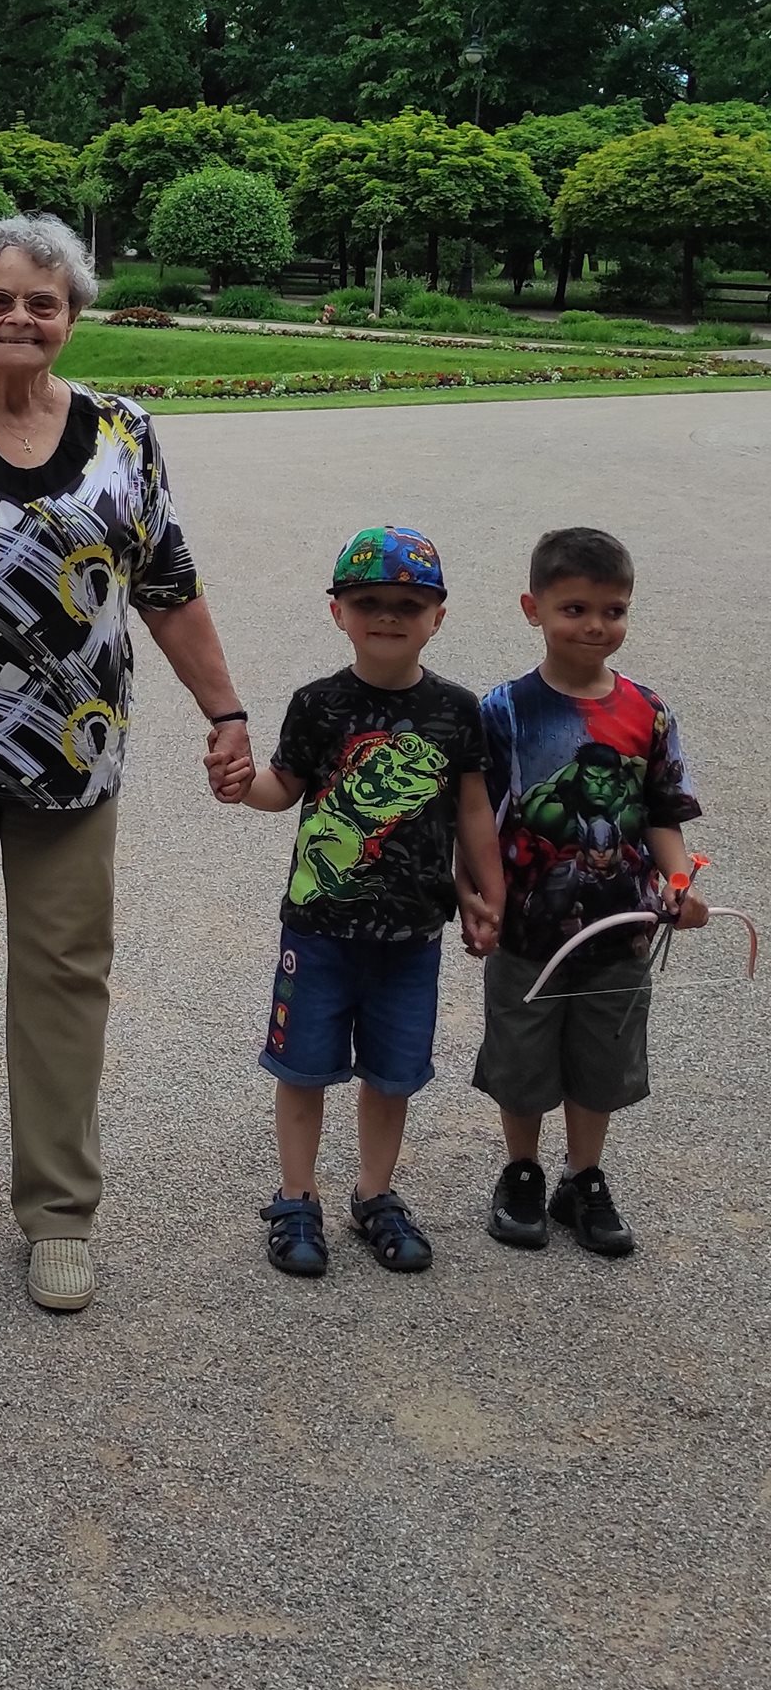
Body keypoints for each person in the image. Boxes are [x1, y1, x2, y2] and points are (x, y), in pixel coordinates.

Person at [0, 213, 252, 1315]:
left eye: (43, 302)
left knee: (65, 970)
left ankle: (59, 1208)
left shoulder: (124, 430)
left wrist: (225, 709)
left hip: (73, 751)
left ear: (72, 316)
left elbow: (167, 584)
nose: (19, 318)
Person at [242, 527, 504, 1281]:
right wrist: (239, 783)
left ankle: (374, 1193)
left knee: (392, 1075)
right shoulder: (318, 704)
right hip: (319, 926)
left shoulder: (457, 710)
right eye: (368, 602)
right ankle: (296, 1197)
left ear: (437, 617)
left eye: (408, 604)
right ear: (338, 612)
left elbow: (474, 808)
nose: (388, 616)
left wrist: (489, 891)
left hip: (412, 931)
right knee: (301, 1069)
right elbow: (282, 787)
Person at [475, 525, 705, 1261]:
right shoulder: (504, 710)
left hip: (622, 929)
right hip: (528, 930)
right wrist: (477, 896)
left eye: (614, 610)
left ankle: (583, 1177)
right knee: (522, 1057)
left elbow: (664, 815)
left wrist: (677, 882)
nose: (596, 626)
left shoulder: (648, 711)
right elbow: (477, 818)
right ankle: (522, 1169)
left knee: (602, 1059)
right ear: (533, 609)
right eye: (574, 609)